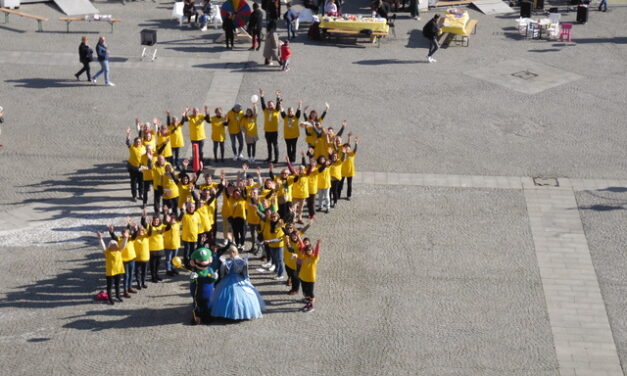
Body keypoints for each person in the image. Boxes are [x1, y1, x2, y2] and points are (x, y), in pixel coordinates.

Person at [210, 246, 265, 320]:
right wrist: (247, 280)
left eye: (232, 252)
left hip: (230, 280)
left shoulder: (227, 261)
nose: (231, 253)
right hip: (237, 279)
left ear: (235, 252)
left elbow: (222, 274)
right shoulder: (240, 261)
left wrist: (221, 280)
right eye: (230, 252)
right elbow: (245, 274)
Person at [96, 230, 129, 305]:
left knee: (117, 284)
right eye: (112, 245)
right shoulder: (107, 252)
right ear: (109, 246)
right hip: (110, 271)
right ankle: (110, 298)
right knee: (109, 286)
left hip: (118, 270)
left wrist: (126, 238)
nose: (113, 246)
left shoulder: (119, 250)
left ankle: (118, 296)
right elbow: (102, 246)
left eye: (115, 244)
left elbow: (123, 244)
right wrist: (100, 238)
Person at [189, 247, 219, 324]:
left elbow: (212, 280)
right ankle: (197, 317)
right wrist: (192, 278)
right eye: (200, 261)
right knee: (197, 305)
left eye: (205, 260)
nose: (203, 263)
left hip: (208, 291)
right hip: (198, 292)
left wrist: (214, 278)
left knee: (208, 305)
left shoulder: (209, 270)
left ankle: (207, 317)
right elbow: (192, 283)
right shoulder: (195, 272)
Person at [260, 89, 282, 163]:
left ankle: (276, 159)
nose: (270, 105)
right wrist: (262, 95)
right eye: (269, 104)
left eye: (271, 104)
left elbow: (278, 104)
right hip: (267, 131)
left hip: (274, 131)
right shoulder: (265, 110)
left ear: (273, 105)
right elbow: (262, 103)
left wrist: (278, 96)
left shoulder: (276, 110)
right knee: (268, 145)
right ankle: (269, 158)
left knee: (275, 145)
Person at [298, 238, 320, 312]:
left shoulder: (314, 258)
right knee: (305, 291)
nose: (308, 251)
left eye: (310, 250)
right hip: (303, 277)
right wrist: (299, 237)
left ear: (312, 250)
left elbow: (317, 252)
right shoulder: (304, 256)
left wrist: (317, 244)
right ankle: (307, 302)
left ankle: (311, 306)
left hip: (310, 278)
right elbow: (302, 247)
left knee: (310, 293)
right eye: (307, 250)